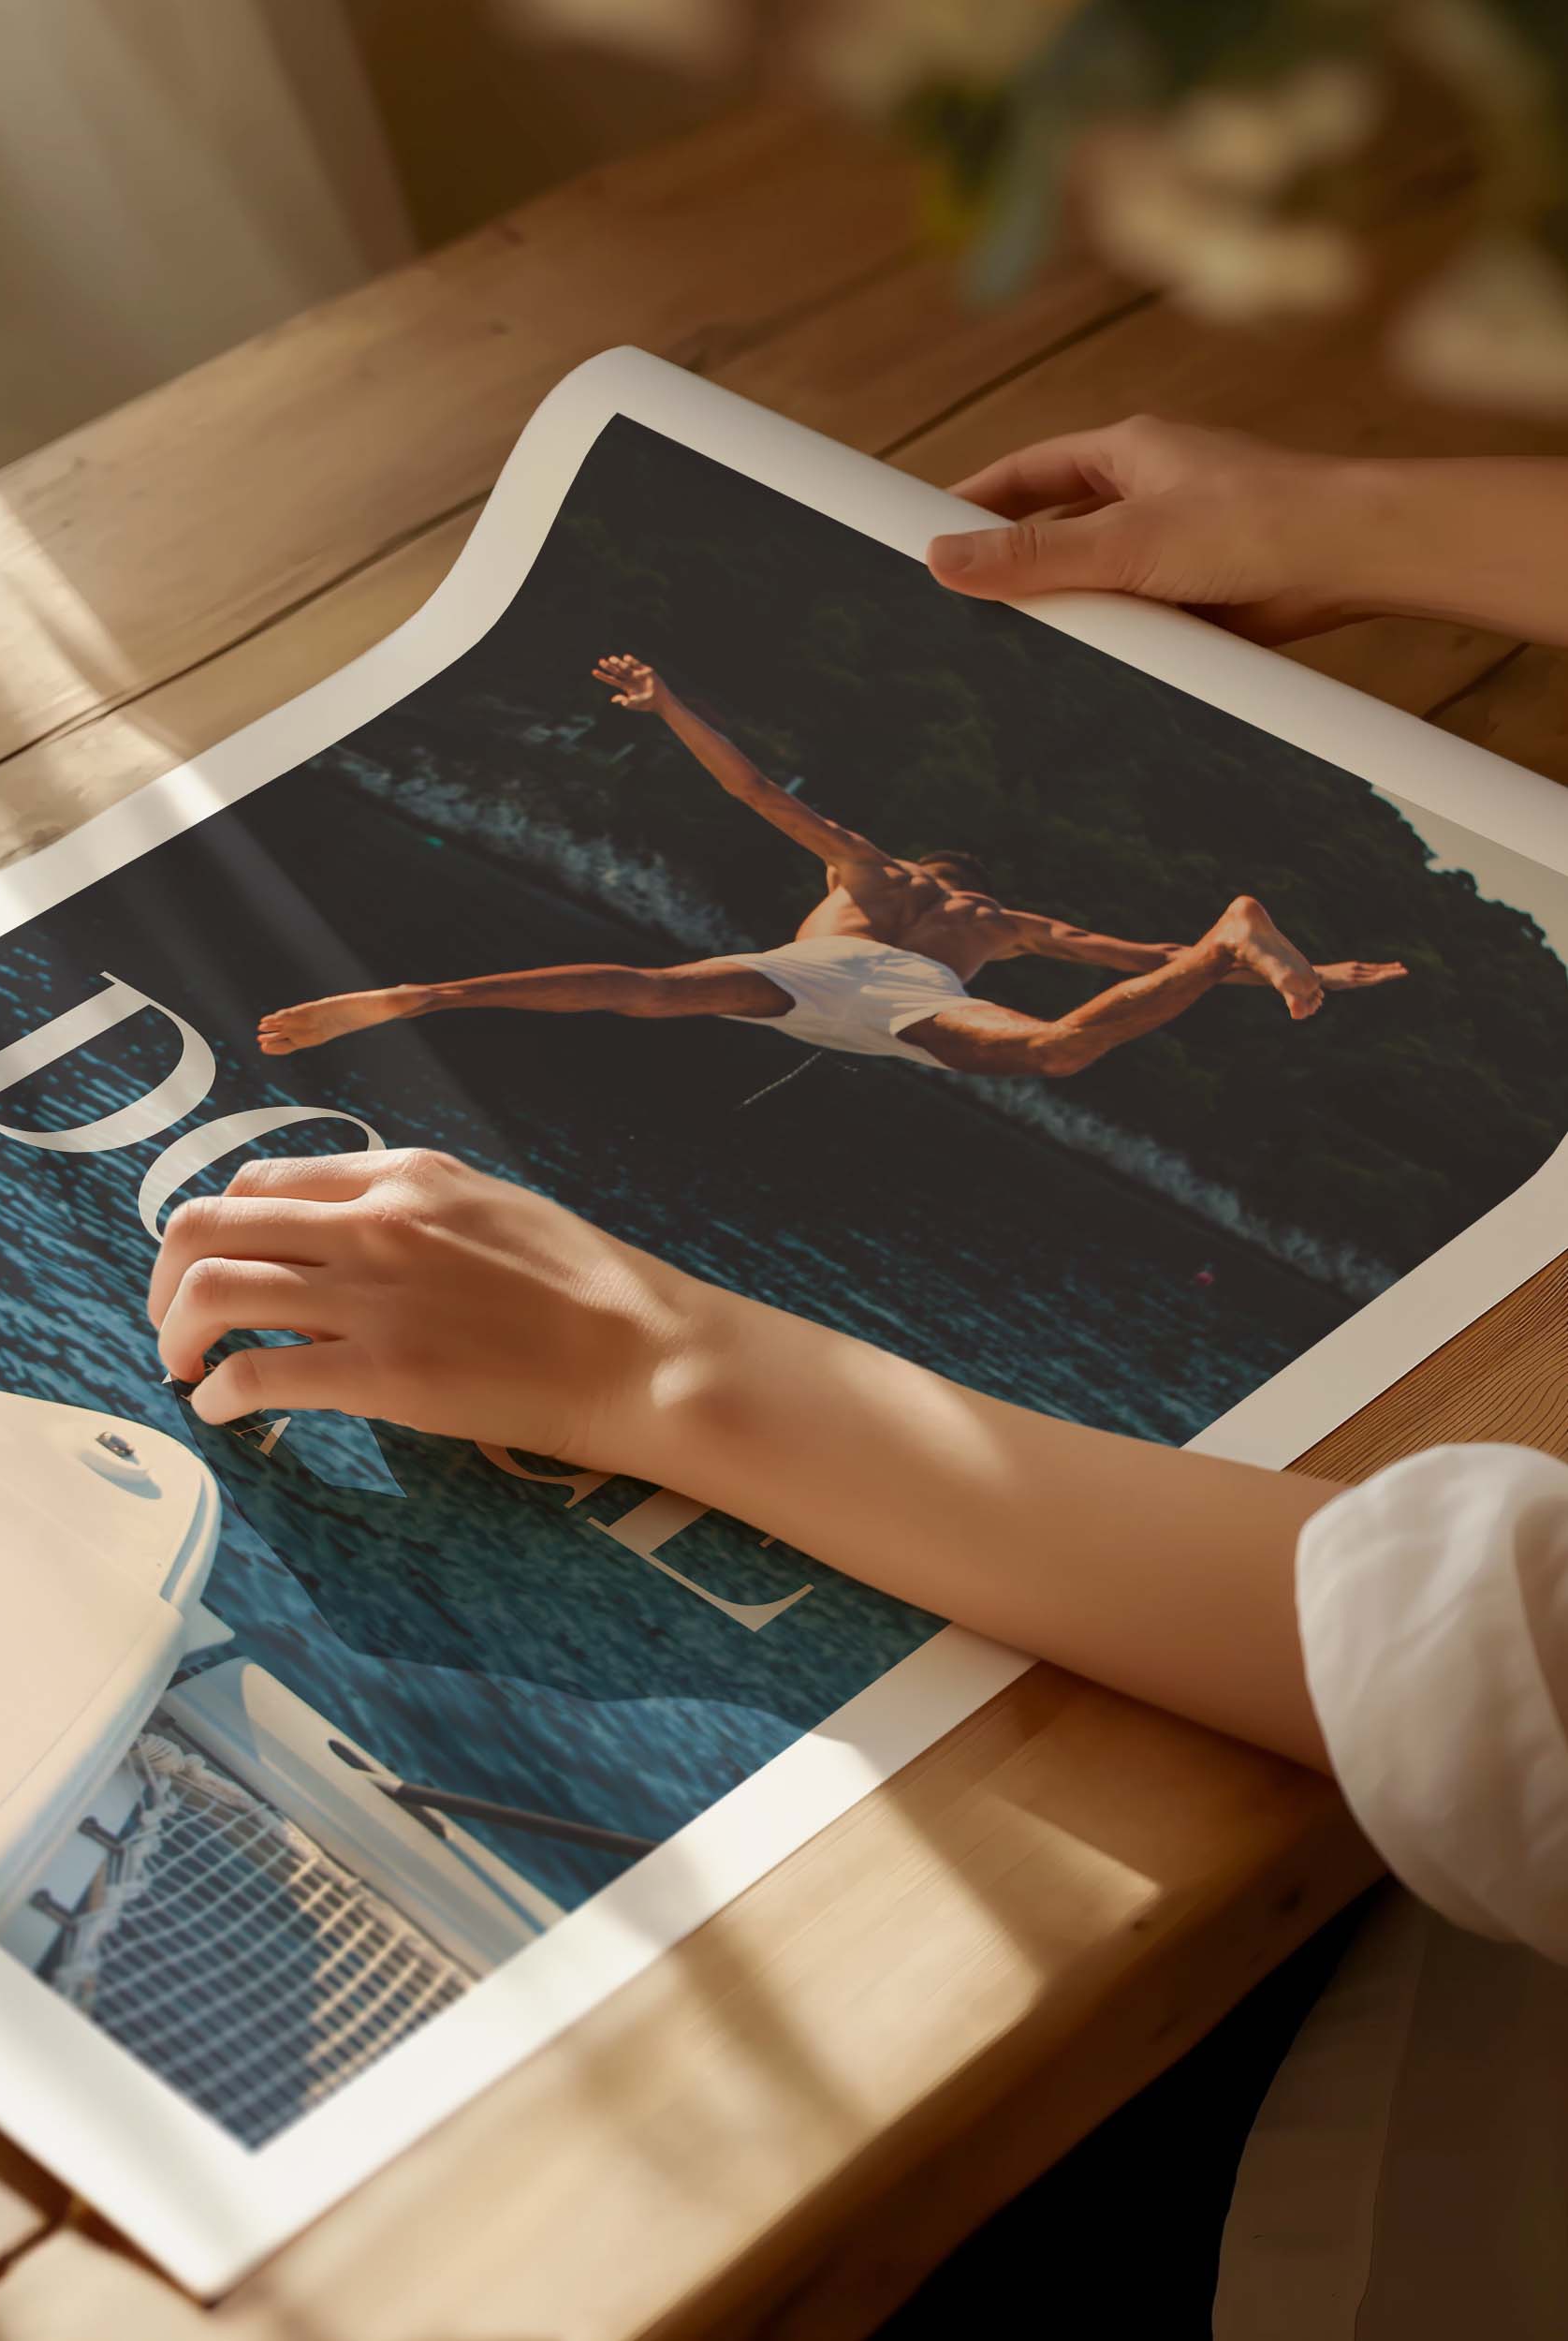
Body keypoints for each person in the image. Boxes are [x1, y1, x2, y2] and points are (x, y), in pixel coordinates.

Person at [156, 419, 1568, 2339]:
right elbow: (765, 798)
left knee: (1031, 1059)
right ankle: (429, 1001)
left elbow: (1492, 1664)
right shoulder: (879, 876)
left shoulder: (977, 928)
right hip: (830, 990)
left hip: (1403, 2112)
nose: (954, 877)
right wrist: (1350, 510)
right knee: (713, 1002)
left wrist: (673, 1362)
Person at [257, 649, 1406, 1077]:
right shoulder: (1003, 923)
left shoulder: (869, 874)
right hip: (924, 1007)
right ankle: (1238, 924)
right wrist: (1249, 966)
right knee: (1059, 1049)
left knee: (642, 993)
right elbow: (1145, 956)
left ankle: (420, 996)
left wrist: (667, 702)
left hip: (817, 983)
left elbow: (752, 789)